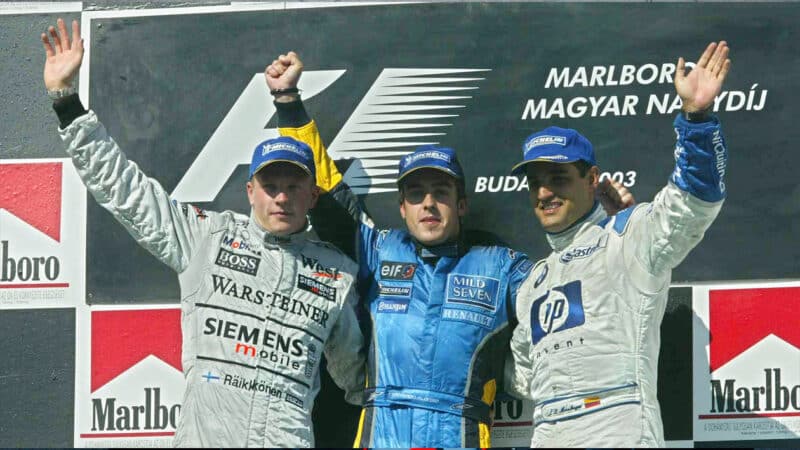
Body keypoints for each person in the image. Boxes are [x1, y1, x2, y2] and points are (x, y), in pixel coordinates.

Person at [263, 52, 633, 448]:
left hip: (462, 430)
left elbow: (570, 284)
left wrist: (610, 229)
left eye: (440, 193)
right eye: (416, 194)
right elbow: (327, 197)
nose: (428, 204)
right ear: (401, 207)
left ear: (461, 205)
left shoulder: (504, 268)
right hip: (382, 431)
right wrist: (288, 103)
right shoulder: (378, 250)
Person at [41, 19, 365, 448]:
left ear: (313, 195)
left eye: (293, 186)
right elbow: (126, 190)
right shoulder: (206, 239)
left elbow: (360, 379)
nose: (281, 197)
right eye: (270, 186)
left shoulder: (336, 274)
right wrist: (66, 102)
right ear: (250, 192)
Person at [505, 41, 731, 447]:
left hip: (618, 429)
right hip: (548, 433)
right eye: (535, 182)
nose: (544, 193)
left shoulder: (628, 237)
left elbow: (692, 202)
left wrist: (696, 119)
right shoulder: (533, 283)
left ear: (592, 180)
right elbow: (522, 375)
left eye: (558, 179)